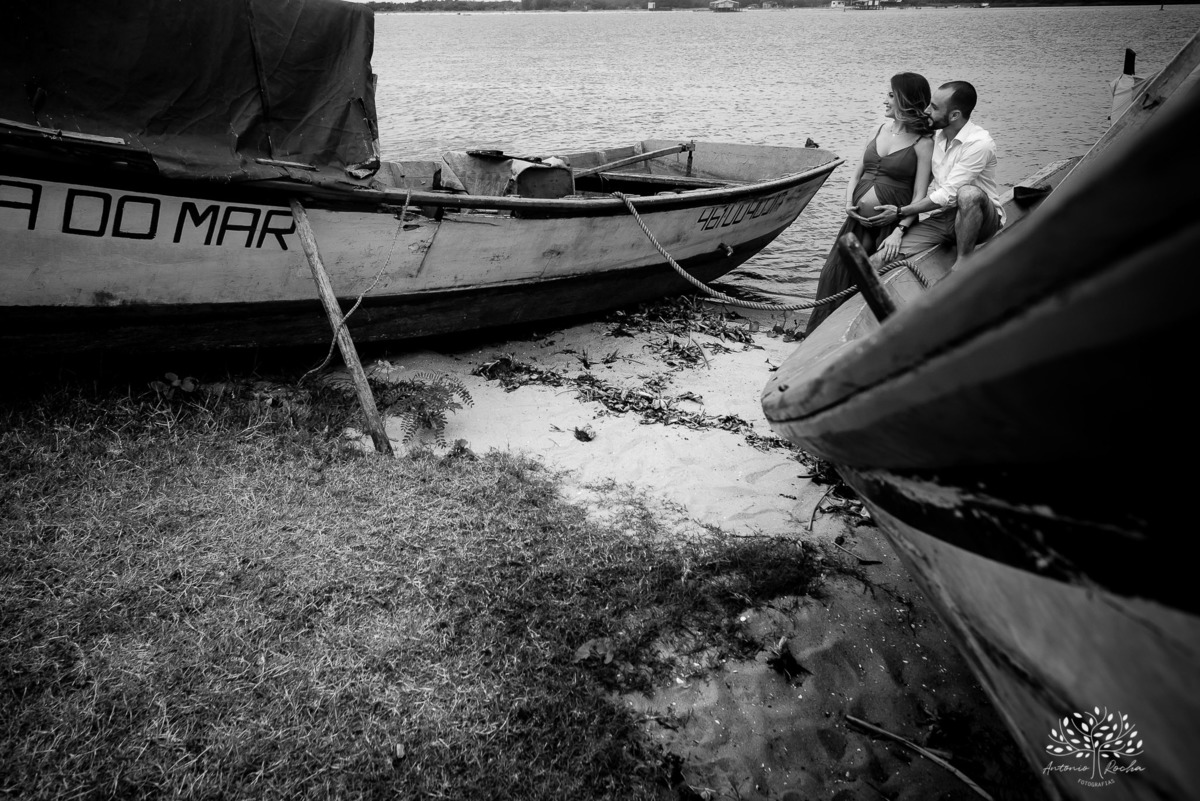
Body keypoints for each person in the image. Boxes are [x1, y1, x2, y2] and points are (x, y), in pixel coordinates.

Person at [805, 73, 934, 334]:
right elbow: (857, 174)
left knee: (878, 279)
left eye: (890, 95)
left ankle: (863, 335)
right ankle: (819, 335)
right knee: (833, 275)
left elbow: (920, 194)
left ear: (904, 100)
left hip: (892, 225)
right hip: (856, 222)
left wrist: (900, 229)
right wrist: (847, 203)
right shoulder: (879, 130)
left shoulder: (923, 143)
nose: (884, 100)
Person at [861, 80, 1004, 273]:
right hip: (944, 218)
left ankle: (963, 265)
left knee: (968, 194)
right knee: (878, 260)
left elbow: (948, 195)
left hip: (981, 220)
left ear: (954, 115)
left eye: (934, 107)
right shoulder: (934, 138)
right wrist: (899, 229)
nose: (926, 110)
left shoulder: (979, 143)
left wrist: (900, 211)